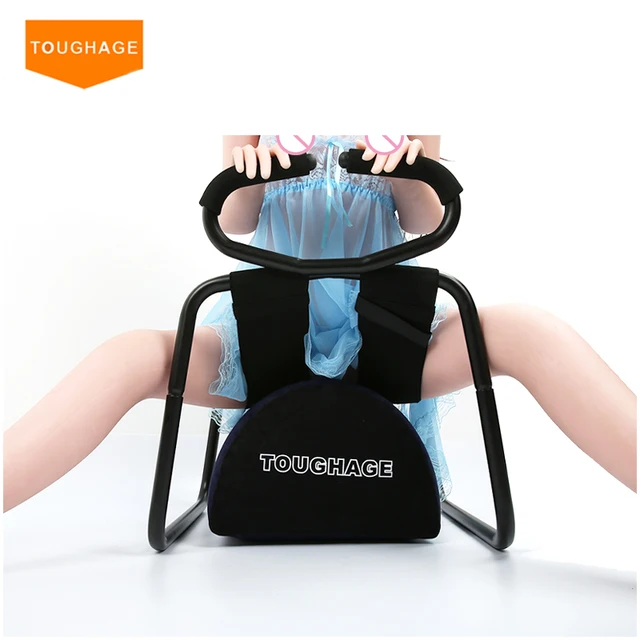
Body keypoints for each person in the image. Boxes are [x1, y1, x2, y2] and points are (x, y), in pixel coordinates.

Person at [3, 135, 636, 515]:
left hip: (386, 334)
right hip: (268, 334)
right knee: (131, 354)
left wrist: (404, 169)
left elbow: (424, 218)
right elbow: (235, 219)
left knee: (529, 330)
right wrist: (251, 166)